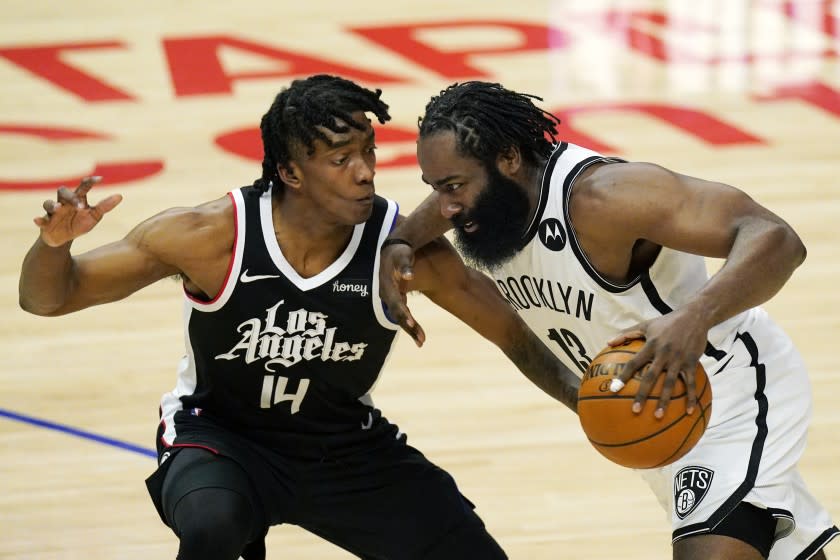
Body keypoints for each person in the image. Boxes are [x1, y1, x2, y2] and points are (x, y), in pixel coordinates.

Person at [18, 75, 581, 560]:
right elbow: (49, 298)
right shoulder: (208, 237)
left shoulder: (402, 250)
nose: (365, 173)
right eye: (341, 160)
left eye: (369, 152)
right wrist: (53, 247)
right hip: (219, 438)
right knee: (212, 526)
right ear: (290, 173)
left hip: (345, 449)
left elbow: (513, 334)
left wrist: (589, 403)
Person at [379, 81, 839, 560]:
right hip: (655, 411)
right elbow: (512, 328)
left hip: (728, 390)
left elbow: (777, 238)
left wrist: (694, 317)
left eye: (454, 187)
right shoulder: (493, 207)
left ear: (509, 159)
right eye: (436, 189)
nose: (447, 208)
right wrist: (401, 241)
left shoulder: (606, 198)